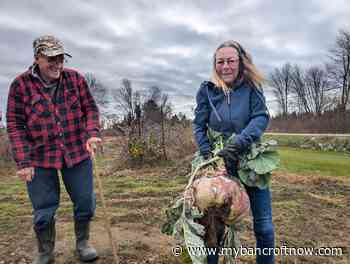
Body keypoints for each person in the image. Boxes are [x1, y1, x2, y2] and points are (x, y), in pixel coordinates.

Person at [6, 35, 101, 263]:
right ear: (37, 58)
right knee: (44, 210)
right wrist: (23, 161)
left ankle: (83, 243)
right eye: (51, 58)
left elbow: (90, 109)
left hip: (77, 152)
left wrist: (93, 133)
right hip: (40, 158)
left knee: (85, 202)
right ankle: (45, 252)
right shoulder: (20, 85)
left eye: (60, 58)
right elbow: (15, 124)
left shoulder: (75, 79)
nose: (57, 64)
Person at [192, 40, 274, 264]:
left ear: (240, 62)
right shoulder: (207, 91)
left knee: (264, 226)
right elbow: (199, 124)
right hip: (220, 165)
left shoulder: (252, 87)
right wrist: (206, 150)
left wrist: (239, 142)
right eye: (220, 62)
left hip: (251, 162)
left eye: (231, 61)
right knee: (213, 227)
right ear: (214, 64)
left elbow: (260, 117)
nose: (225, 66)